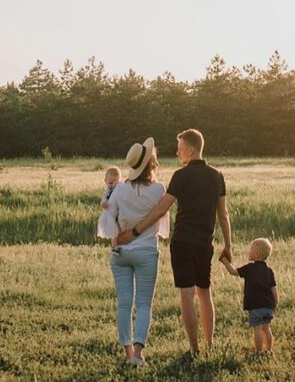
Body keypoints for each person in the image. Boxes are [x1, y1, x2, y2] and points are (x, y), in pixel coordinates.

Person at [116, 128, 232, 357]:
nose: (177, 153)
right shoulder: (217, 176)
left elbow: (161, 209)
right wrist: (228, 244)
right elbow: (223, 214)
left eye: (180, 149)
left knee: (187, 295)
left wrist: (136, 230)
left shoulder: (181, 176)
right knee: (205, 293)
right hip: (204, 243)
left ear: (190, 149)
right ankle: (209, 345)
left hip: (183, 242)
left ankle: (194, 349)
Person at [106, 138, 169, 366]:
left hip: (120, 252)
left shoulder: (120, 190)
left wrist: (116, 241)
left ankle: (127, 354)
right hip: (146, 252)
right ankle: (138, 355)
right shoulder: (160, 189)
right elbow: (161, 219)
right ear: (152, 164)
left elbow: (109, 219)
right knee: (144, 304)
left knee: (124, 304)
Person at [220, 237, 278, 355]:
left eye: (250, 249)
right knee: (266, 328)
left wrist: (225, 261)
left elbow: (233, 272)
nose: (249, 252)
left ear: (256, 254)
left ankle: (258, 351)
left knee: (257, 329)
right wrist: (276, 302)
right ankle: (269, 350)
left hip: (256, 306)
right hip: (268, 306)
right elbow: (273, 288)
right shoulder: (269, 271)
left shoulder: (250, 268)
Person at [96, 165, 122, 242]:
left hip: (120, 214)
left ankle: (121, 245)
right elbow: (103, 201)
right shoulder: (107, 192)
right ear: (105, 181)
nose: (113, 185)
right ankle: (114, 247)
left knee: (121, 232)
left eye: (116, 183)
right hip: (111, 215)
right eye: (110, 183)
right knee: (113, 233)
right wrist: (104, 203)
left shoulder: (120, 190)